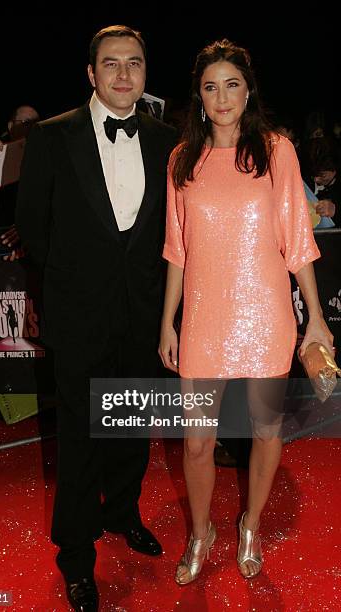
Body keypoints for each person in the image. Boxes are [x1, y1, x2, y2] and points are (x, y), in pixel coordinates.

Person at [159, 39, 333, 584]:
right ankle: (201, 530)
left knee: (265, 430)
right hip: (204, 317)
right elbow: (177, 249)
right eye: (210, 86)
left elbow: (296, 238)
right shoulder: (182, 160)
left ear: (248, 89)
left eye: (232, 83)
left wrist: (318, 318)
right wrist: (168, 319)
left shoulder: (276, 150)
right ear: (199, 95)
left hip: (265, 313)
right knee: (196, 441)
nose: (222, 96)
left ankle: (251, 523)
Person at [15, 25, 176, 611]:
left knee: (132, 427)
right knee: (81, 440)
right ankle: (77, 559)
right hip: (80, 315)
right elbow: (33, 228)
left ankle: (123, 513)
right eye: (112, 64)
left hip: (143, 312)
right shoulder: (52, 137)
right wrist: (75, 283)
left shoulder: (166, 140)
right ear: (91, 73)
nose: (124, 75)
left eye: (135, 63)